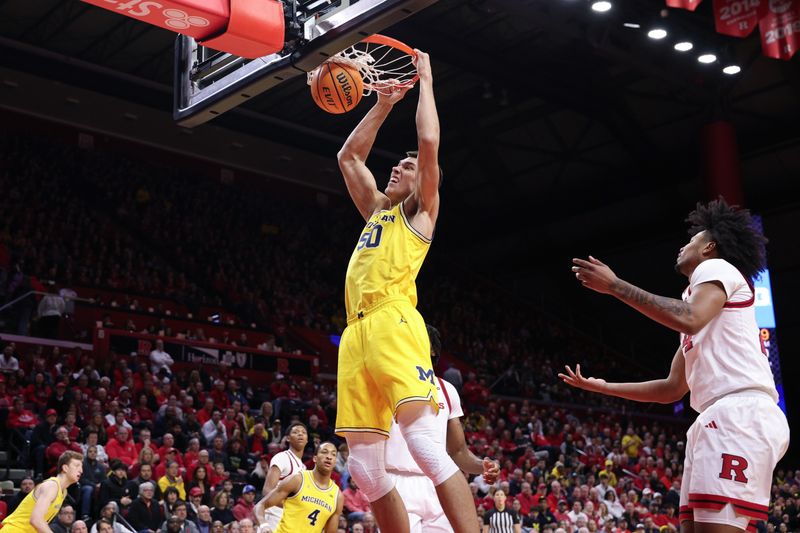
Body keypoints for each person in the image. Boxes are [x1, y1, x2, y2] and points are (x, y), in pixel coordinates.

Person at [561, 199, 791, 533]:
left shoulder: (717, 268)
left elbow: (691, 319)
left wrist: (615, 286)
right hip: (715, 417)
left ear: (710, 246)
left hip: (740, 412)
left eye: (692, 240)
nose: (683, 246)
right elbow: (671, 388)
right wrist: (603, 387)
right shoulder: (697, 306)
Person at [335, 50, 475, 533]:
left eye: (408, 167)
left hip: (394, 320)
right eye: (398, 163)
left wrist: (426, 81)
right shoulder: (377, 211)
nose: (399, 166)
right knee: (366, 471)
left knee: (424, 446)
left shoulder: (420, 215)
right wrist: (384, 103)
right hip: (355, 332)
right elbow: (348, 156)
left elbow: (429, 140)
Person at [385, 324, 500, 532]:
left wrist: (482, 465)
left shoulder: (447, 391)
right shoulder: (389, 382)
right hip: (398, 481)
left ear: (433, 350)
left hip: (439, 483)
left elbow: (458, 452)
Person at [258, 442, 343, 533]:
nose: (329, 457)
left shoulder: (337, 496)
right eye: (324, 452)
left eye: (333, 454)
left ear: (335, 462)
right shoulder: (297, 479)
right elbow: (260, 505)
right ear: (315, 458)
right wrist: (264, 526)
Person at [1, 450, 83, 533]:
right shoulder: (51, 486)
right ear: (65, 468)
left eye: (81, 467)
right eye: (77, 466)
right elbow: (36, 520)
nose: (81, 470)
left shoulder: (63, 492)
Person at [253, 422, 307, 532]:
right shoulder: (282, 457)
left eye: (303, 433)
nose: (300, 434)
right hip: (273, 518)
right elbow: (267, 491)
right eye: (296, 432)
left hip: (288, 520)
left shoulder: (303, 467)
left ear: (307, 440)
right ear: (287, 438)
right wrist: (292, 506)